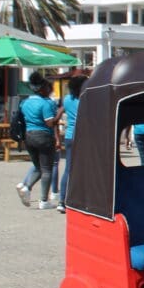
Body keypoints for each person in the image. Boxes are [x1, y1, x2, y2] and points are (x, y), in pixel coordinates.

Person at [14, 73, 60, 210]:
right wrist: (59, 114)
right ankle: (44, 200)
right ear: (42, 88)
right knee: (47, 169)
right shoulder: (46, 103)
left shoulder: (25, 102)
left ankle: (26, 187)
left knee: (38, 167)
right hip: (44, 137)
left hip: (29, 136)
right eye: (47, 87)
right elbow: (50, 123)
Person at [55, 75, 86, 208]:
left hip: (69, 136)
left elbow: (58, 115)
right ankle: (81, 199)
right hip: (83, 137)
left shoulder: (67, 99)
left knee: (68, 169)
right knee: (85, 169)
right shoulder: (86, 99)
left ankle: (62, 200)